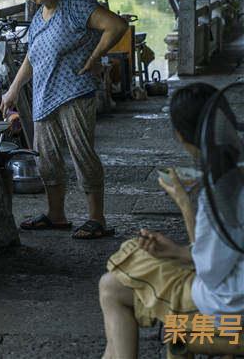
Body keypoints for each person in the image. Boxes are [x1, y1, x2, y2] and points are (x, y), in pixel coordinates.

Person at [99, 83, 244, 359]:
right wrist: (177, 252)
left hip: (228, 304)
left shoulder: (221, 193)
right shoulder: (237, 172)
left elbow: (209, 271)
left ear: (181, 136)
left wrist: (185, 203)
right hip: (233, 285)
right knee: (131, 253)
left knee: (112, 286)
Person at [0, 0, 128, 239]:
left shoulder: (74, 3)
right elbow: (32, 58)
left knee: (83, 155)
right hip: (44, 97)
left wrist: (96, 57)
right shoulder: (39, 16)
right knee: (46, 159)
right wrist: (13, 90)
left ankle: (97, 219)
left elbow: (116, 26)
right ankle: (56, 215)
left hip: (74, 93)